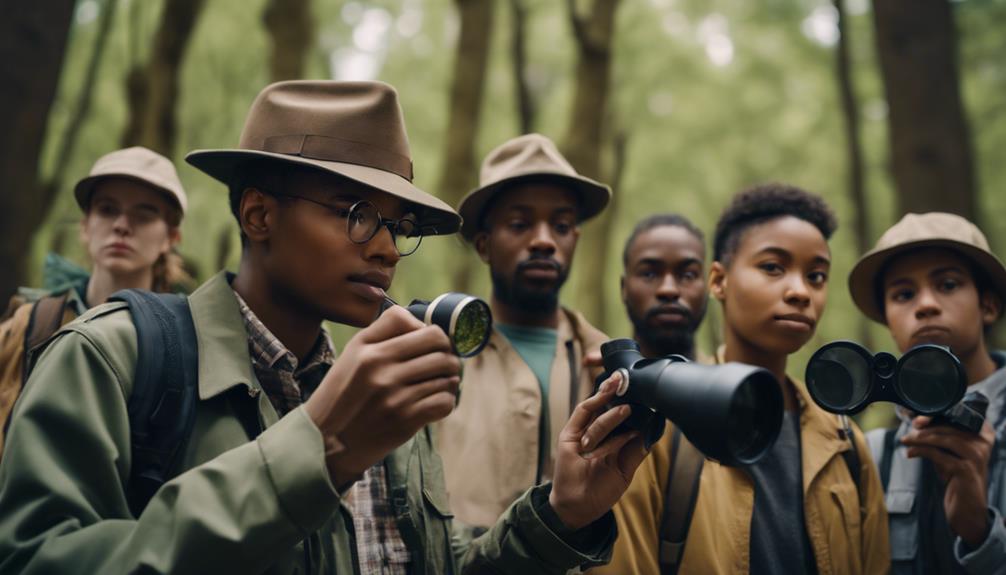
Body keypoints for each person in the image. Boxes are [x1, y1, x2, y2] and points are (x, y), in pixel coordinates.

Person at [0, 80, 648, 575]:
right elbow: (40, 557)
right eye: (358, 213)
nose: (388, 249)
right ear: (258, 215)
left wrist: (559, 513)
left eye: (398, 225)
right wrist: (322, 447)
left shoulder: (376, 388)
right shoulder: (112, 357)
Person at [591, 183, 890, 574]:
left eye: (816, 276)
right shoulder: (655, 428)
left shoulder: (845, 442)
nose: (800, 291)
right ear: (718, 281)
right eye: (772, 267)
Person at [434, 133, 613, 530]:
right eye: (519, 224)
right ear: (483, 245)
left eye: (562, 225)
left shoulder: (604, 367)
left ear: (575, 240)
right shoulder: (437, 356)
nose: (544, 241)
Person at [0, 146, 187, 455]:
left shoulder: (186, 339)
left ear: (171, 238)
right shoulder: (29, 325)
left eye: (144, 214)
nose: (122, 226)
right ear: (85, 226)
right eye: (107, 209)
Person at [850, 212, 1006, 574]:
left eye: (948, 284)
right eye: (903, 294)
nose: (925, 305)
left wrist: (980, 533)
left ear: (989, 305)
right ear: (888, 322)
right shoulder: (872, 456)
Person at [620, 213, 708, 360]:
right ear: (623, 288)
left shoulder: (739, 381)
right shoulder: (589, 379)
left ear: (708, 287)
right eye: (649, 274)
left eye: (688, 275)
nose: (668, 289)